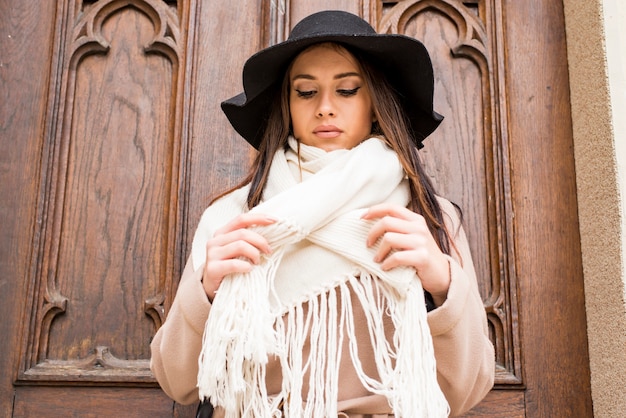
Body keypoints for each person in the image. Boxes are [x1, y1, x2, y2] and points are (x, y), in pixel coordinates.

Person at [150, 9, 494, 418]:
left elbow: (469, 388)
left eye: (347, 90)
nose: (326, 107)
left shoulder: (426, 219)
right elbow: (177, 382)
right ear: (287, 105)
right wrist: (205, 291)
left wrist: (442, 284)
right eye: (306, 92)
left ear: (374, 103)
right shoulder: (236, 218)